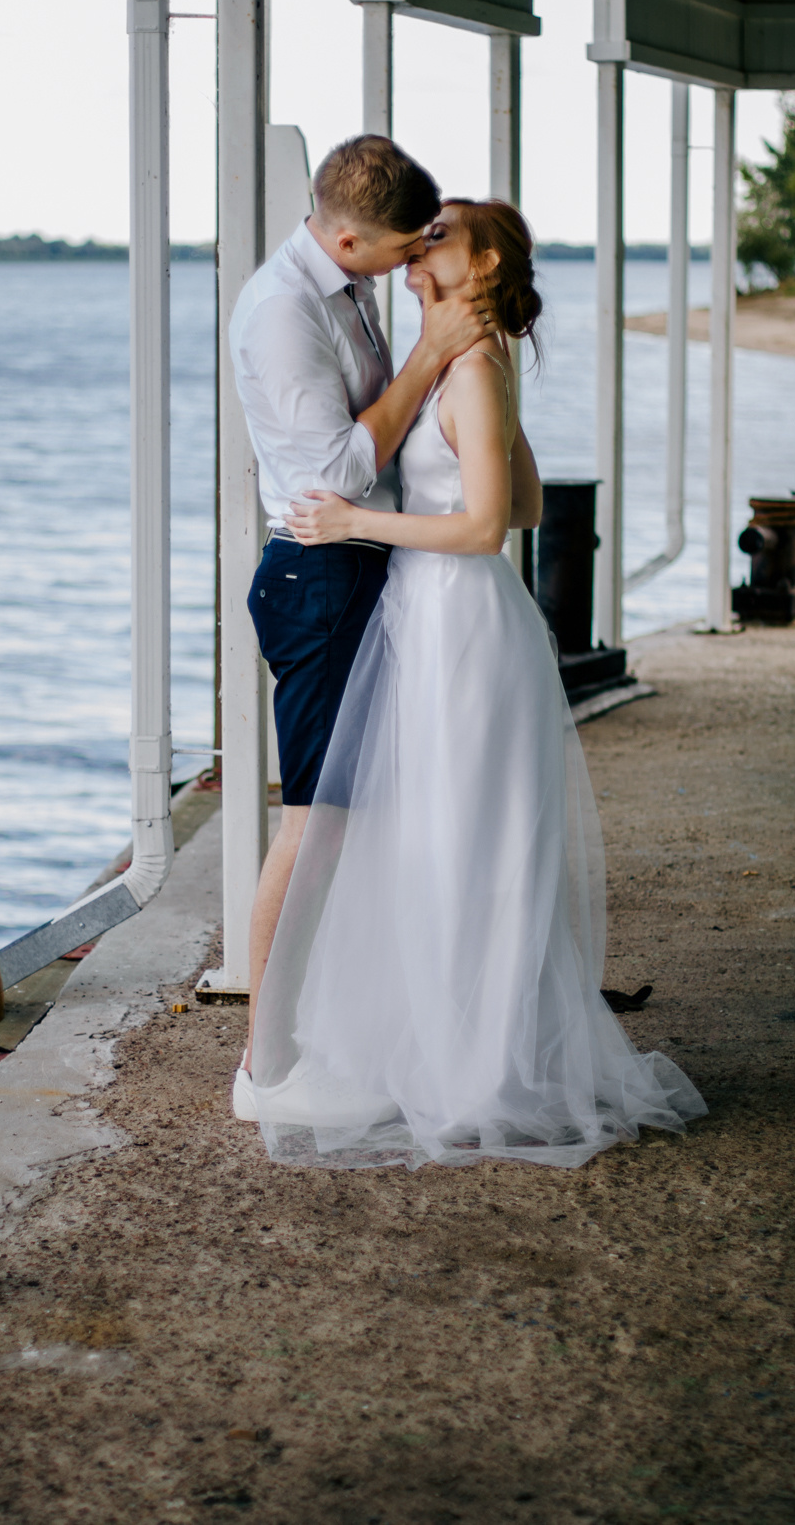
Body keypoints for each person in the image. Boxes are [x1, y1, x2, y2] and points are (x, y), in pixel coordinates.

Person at [244, 199, 709, 1168]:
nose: (418, 246)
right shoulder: (468, 364)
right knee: (441, 833)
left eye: (440, 234)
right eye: (413, 235)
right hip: (429, 614)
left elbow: (489, 527)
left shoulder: (475, 367)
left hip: (456, 618)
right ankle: (449, 1051)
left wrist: (356, 525)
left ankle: (477, 1073)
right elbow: (528, 496)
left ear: (486, 260)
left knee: (468, 837)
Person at [227, 136, 493, 1113]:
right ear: (344, 236)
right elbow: (335, 472)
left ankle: (340, 1030)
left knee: (362, 819)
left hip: (369, 564)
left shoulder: (351, 281)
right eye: (397, 248)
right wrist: (430, 352)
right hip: (318, 575)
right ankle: (265, 1063)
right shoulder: (281, 313)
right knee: (315, 823)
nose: (410, 261)